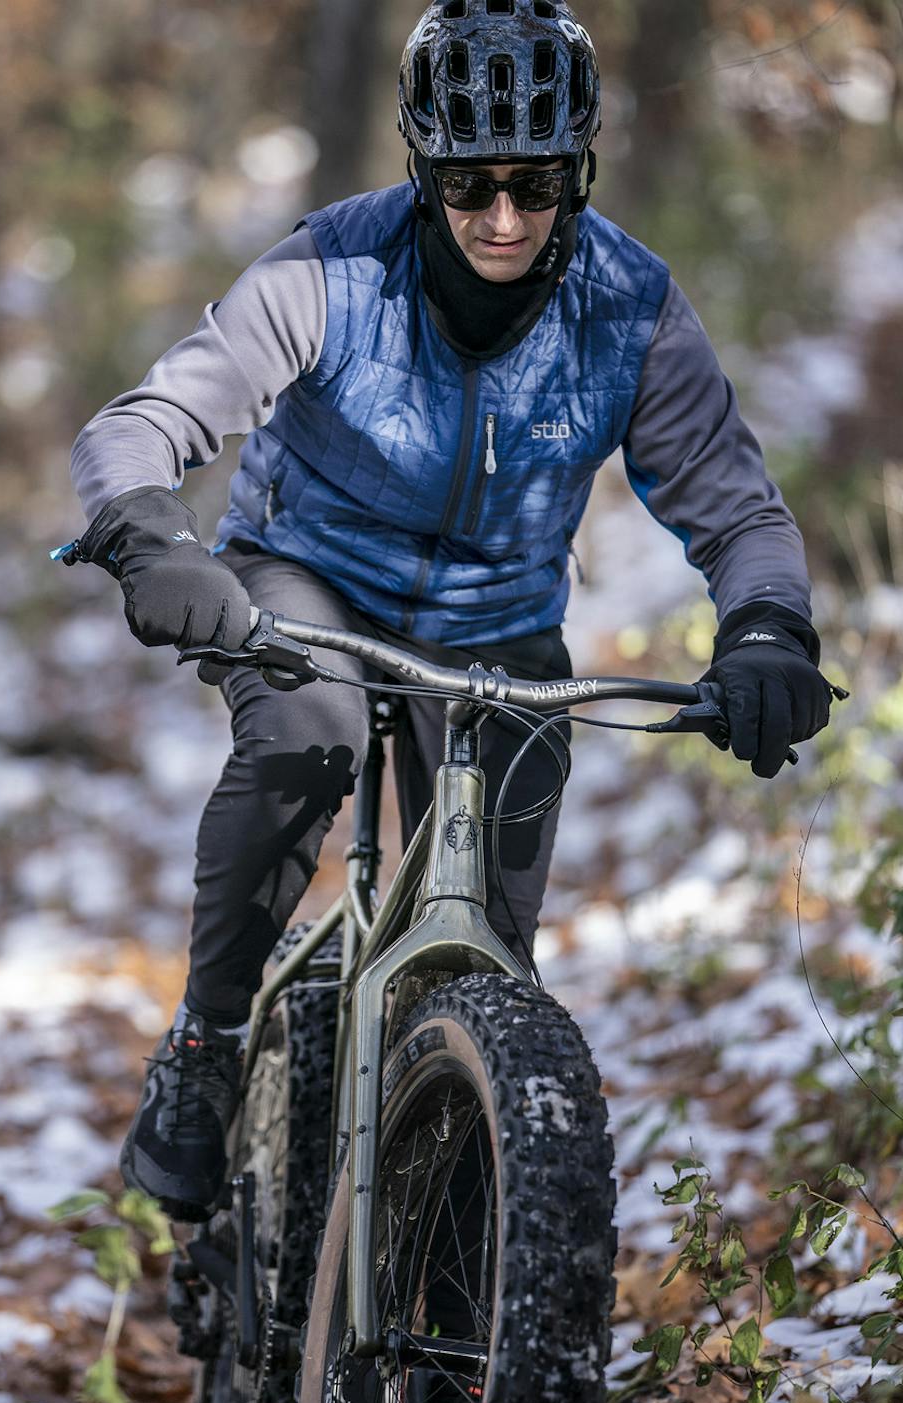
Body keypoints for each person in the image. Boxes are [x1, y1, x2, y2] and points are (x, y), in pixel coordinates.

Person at [64, 0, 833, 1223]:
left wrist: (766, 630)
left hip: (497, 623)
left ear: (578, 171)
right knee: (308, 734)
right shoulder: (330, 267)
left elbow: (737, 509)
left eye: (535, 184)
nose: (504, 219)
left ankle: (457, 1257)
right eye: (471, 184)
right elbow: (142, 425)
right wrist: (152, 535)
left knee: (491, 960)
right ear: (423, 169)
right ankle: (207, 1046)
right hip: (303, 582)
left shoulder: (629, 305)